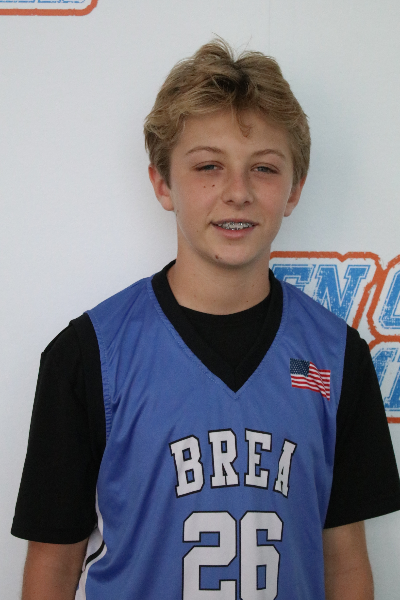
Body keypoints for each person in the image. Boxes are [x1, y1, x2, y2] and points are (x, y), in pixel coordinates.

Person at [12, 39, 400, 600]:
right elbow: (53, 563)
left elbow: (344, 562)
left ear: (294, 190)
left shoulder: (335, 356)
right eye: (208, 166)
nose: (237, 192)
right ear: (162, 183)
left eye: (263, 168)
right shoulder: (90, 355)